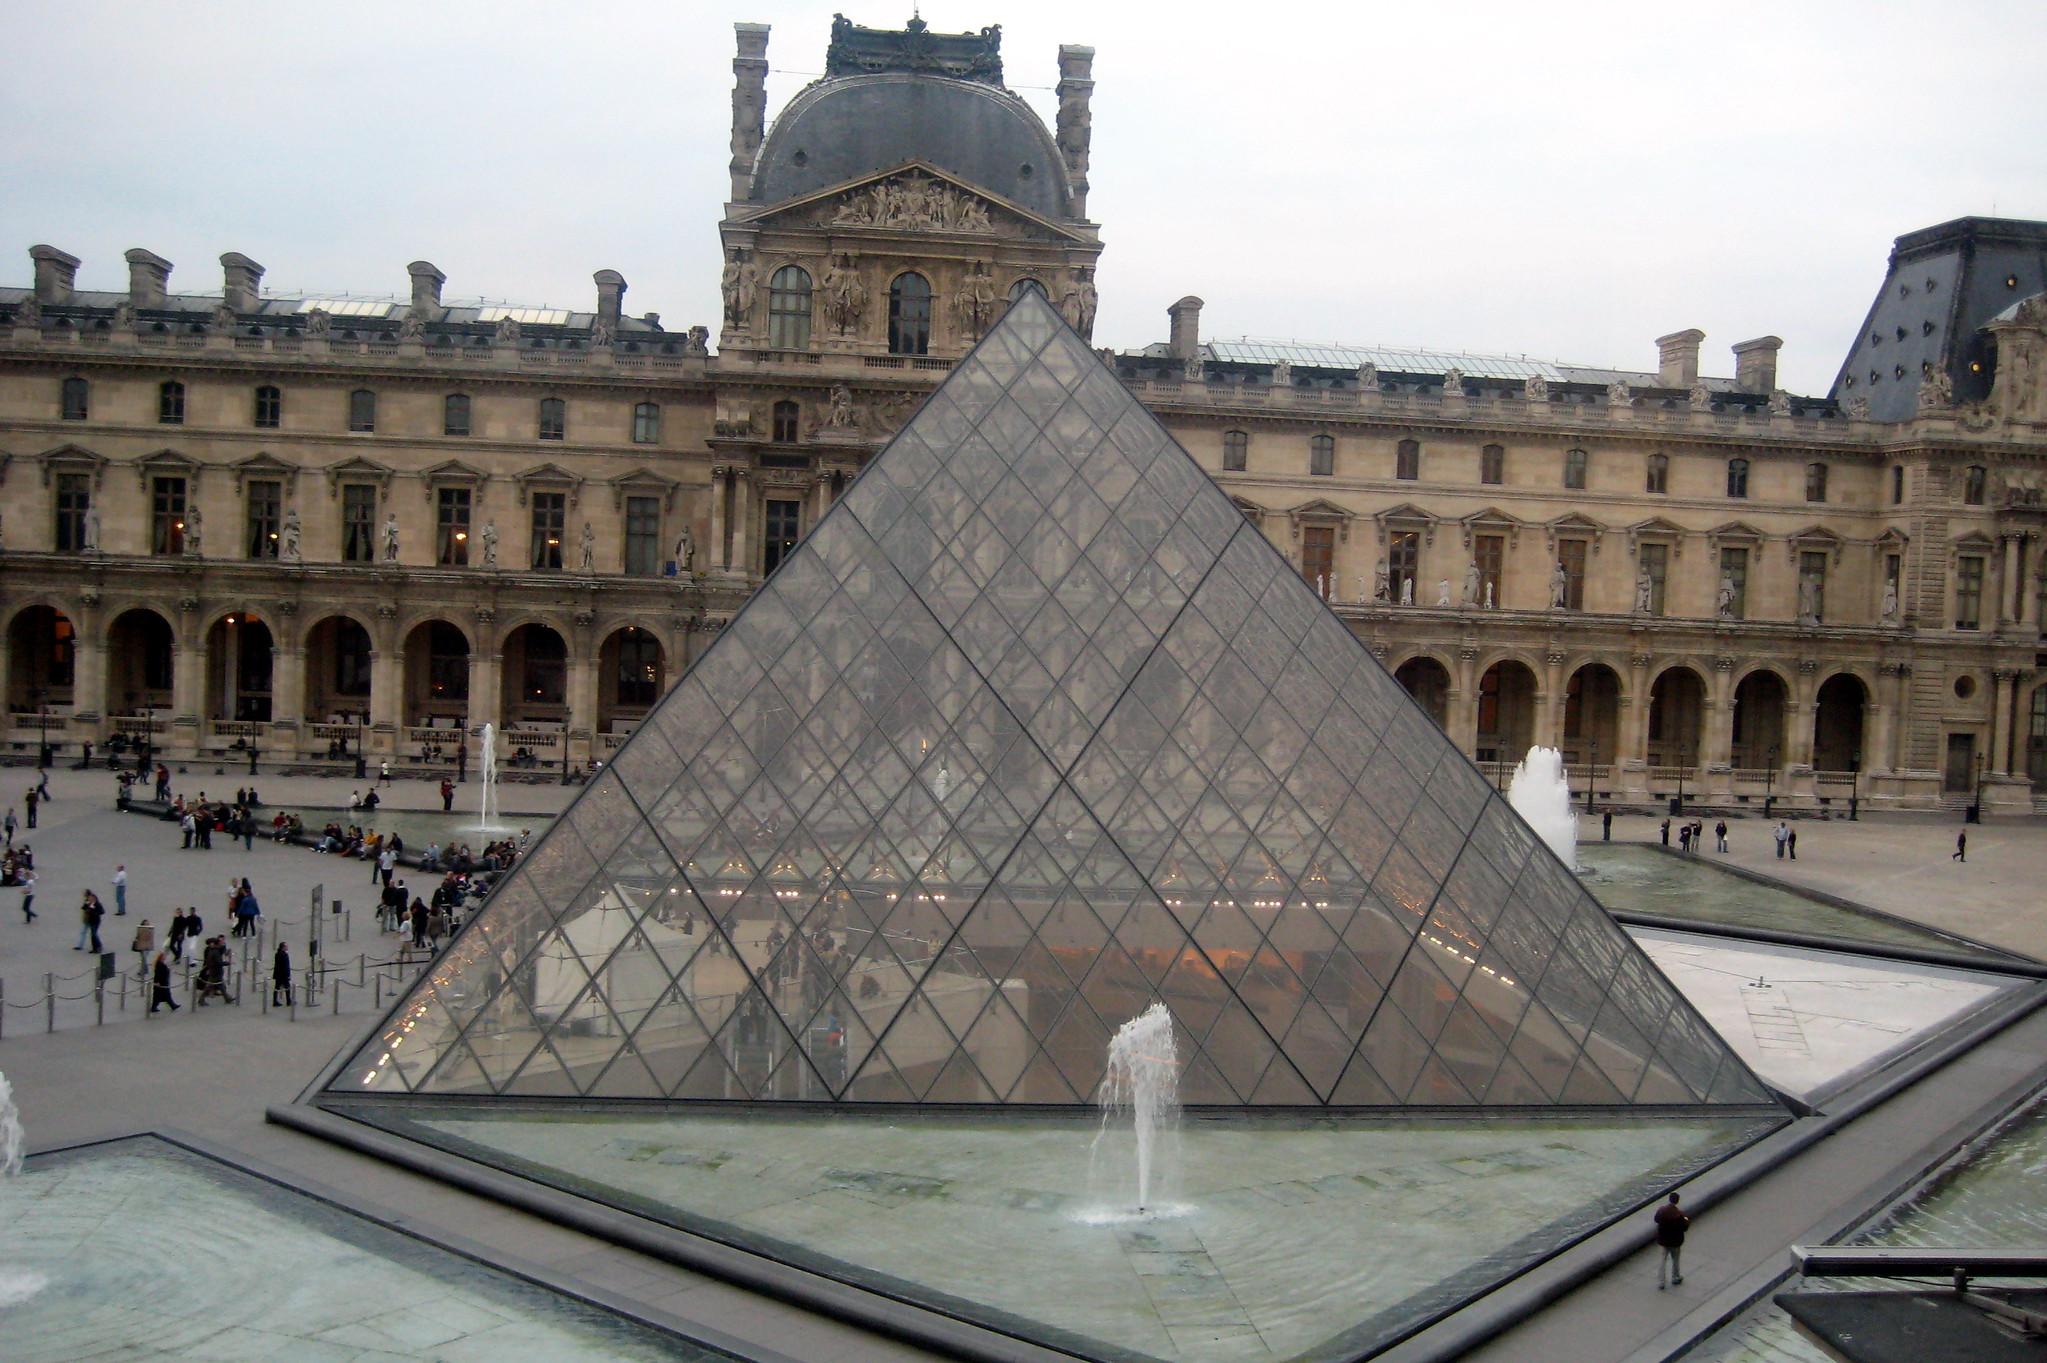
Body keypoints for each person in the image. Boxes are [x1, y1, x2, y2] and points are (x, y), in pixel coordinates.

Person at [1654, 1192, 1689, 1288]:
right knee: (1675, 1260)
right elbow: (1685, 1227)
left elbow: (1656, 1219)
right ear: (1677, 1201)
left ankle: (1661, 1282)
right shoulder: (1679, 1214)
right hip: (1675, 1241)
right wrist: (1686, 1220)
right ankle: (1675, 1277)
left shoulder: (1661, 1210)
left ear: (1669, 1199)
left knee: (1663, 1260)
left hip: (1664, 1240)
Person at [271, 942, 293, 1007]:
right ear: (283, 947)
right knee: (287, 988)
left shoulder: (277, 954)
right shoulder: (284, 955)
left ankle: (275, 1001)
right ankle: (288, 1001)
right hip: (283, 975)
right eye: (286, 946)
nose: (287, 947)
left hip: (278, 974)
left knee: (276, 988)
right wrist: (288, 975)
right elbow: (286, 966)